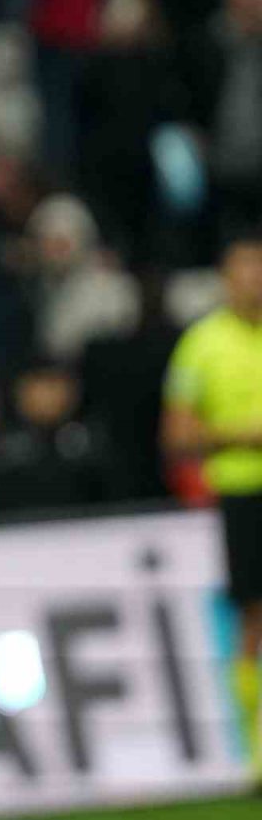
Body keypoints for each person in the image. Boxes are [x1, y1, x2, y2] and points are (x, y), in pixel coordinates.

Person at [162, 235, 262, 777]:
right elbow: (177, 436)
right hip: (241, 492)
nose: (255, 280)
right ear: (225, 279)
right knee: (253, 618)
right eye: (245, 270)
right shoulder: (201, 345)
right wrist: (245, 436)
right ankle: (253, 744)